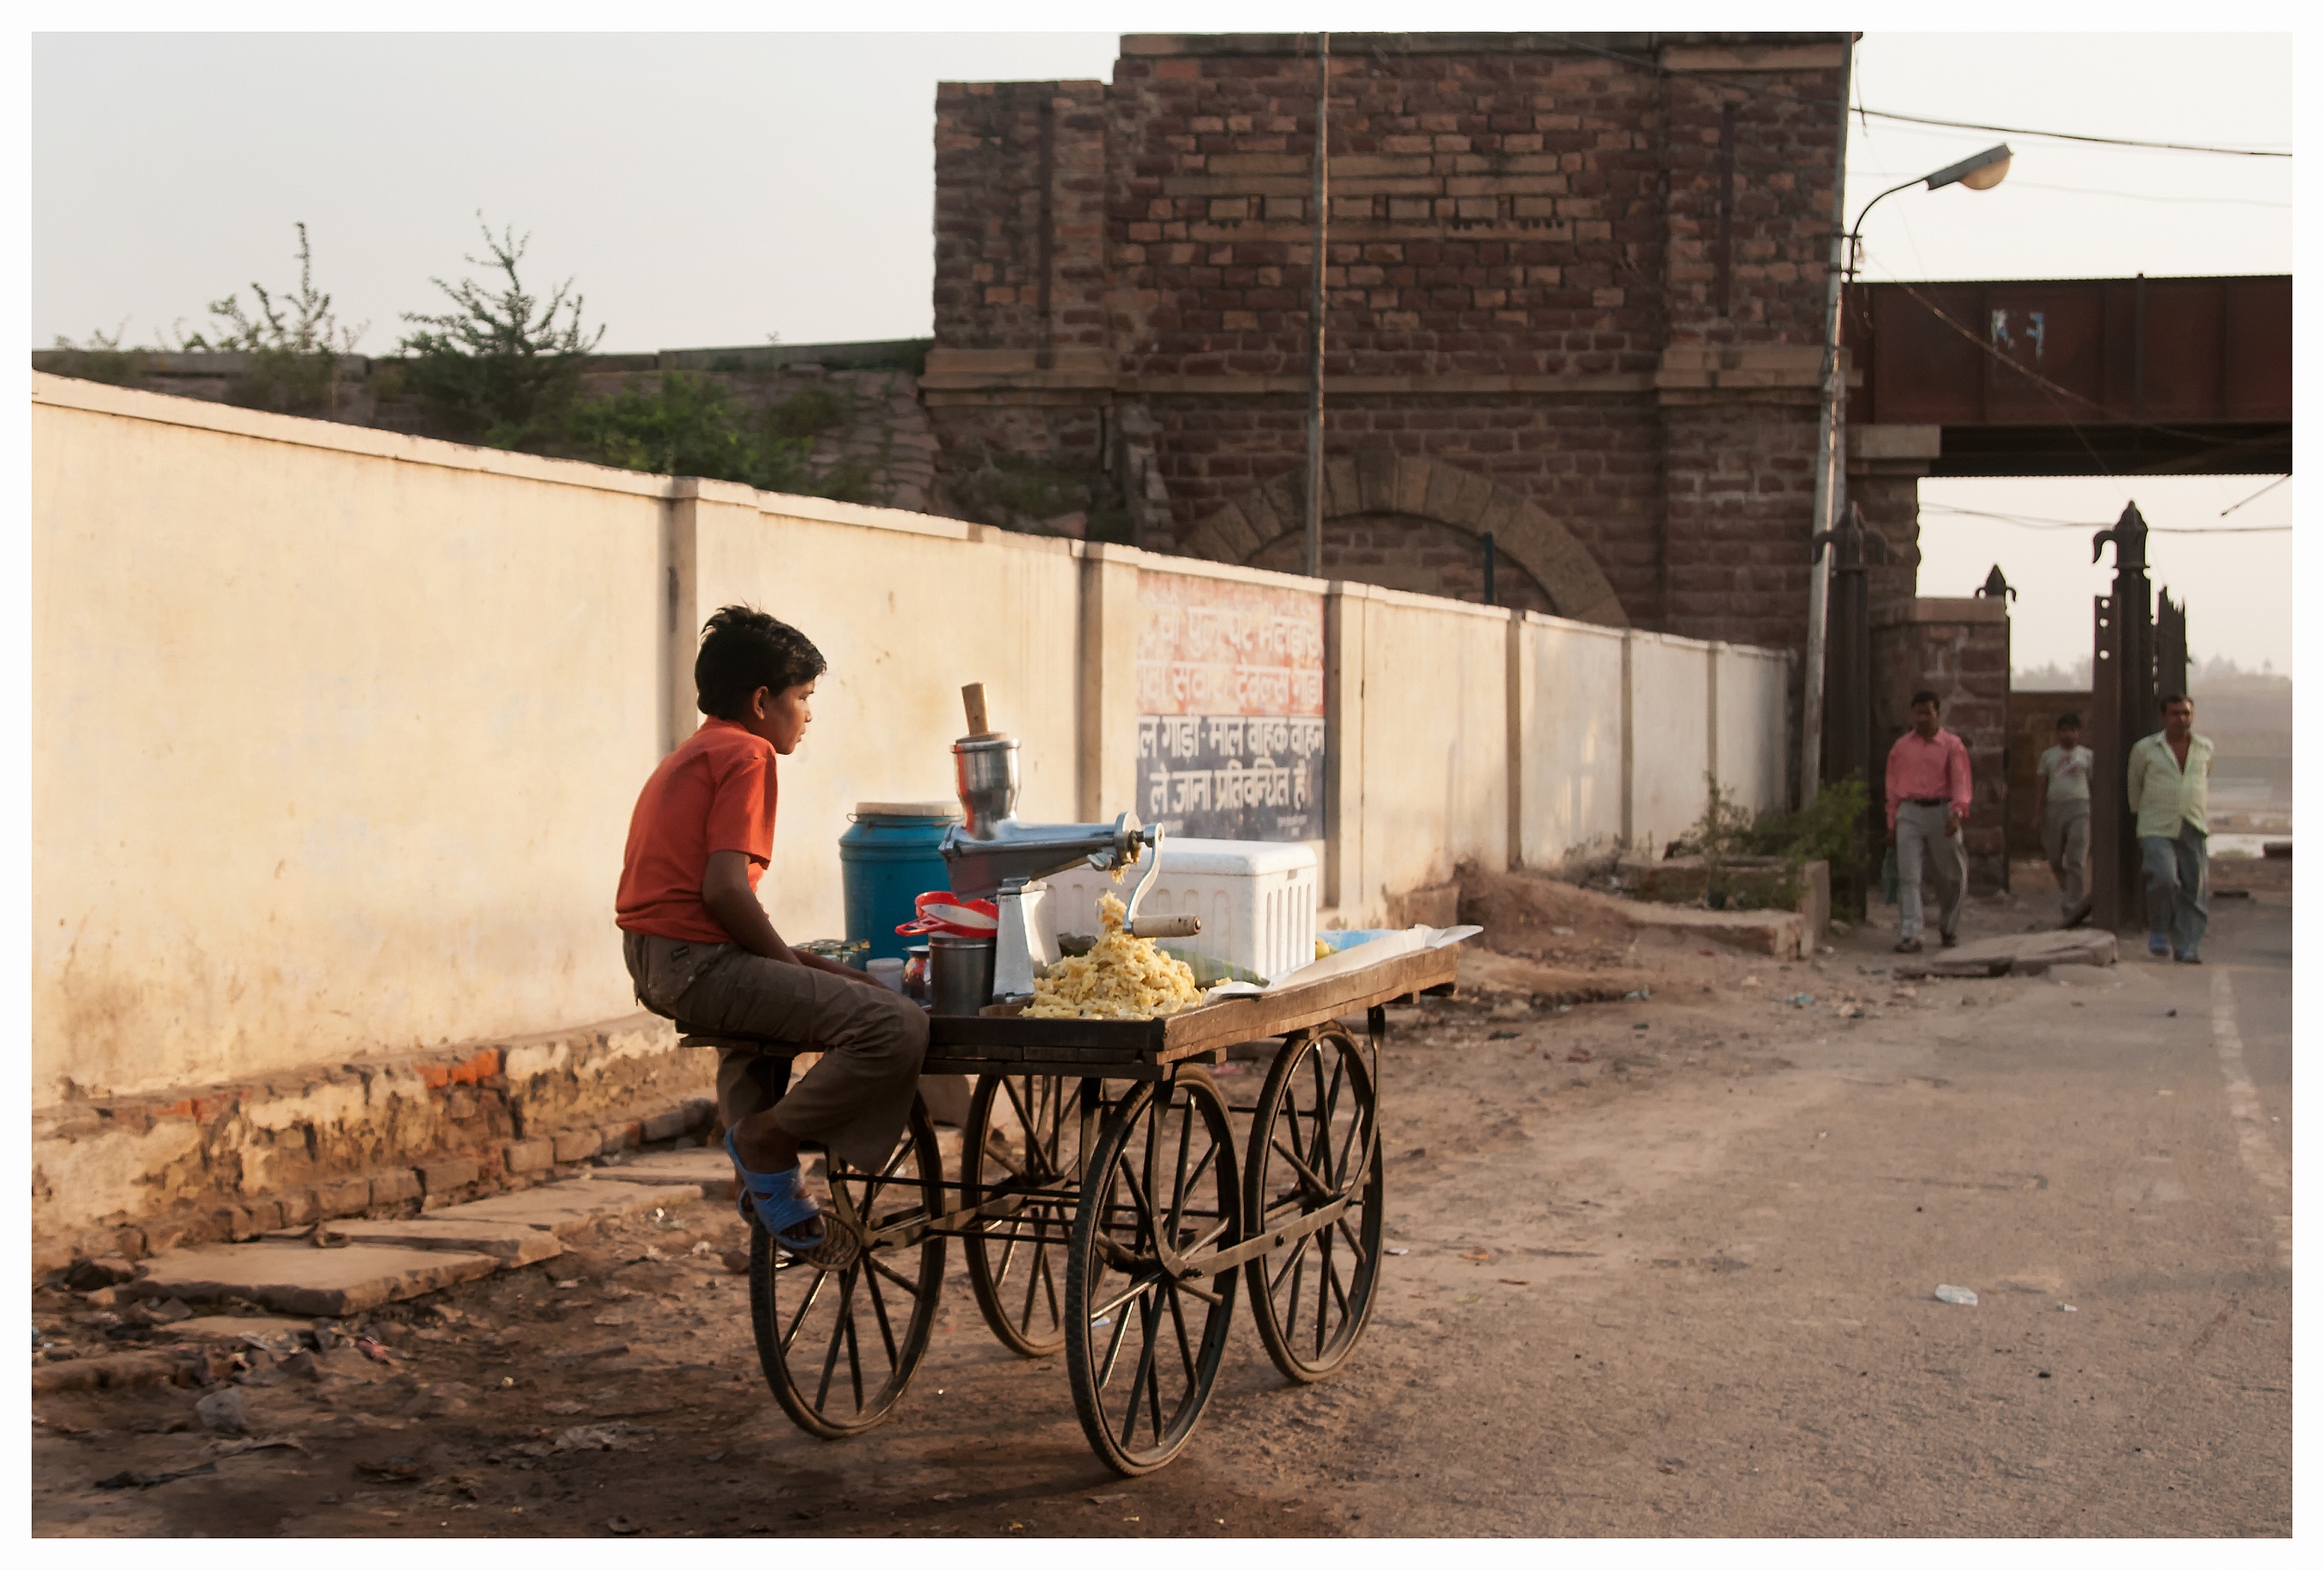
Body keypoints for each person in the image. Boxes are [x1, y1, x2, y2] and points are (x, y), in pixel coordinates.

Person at [615, 605, 928, 1255]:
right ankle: (765, 1142)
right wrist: (794, 968)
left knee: (801, 998)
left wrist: (811, 968)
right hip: (697, 963)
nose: (808, 715)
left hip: (655, 961)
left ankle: (757, 1183)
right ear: (762, 701)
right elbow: (725, 890)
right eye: (803, 697)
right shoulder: (749, 753)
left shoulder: (691, 753)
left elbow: (717, 906)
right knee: (895, 1023)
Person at [2126, 692, 2214, 964]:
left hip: (2193, 822)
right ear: (2163, 717)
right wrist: (2143, 815)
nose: (2181, 719)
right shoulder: (2145, 749)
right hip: (2156, 825)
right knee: (2164, 878)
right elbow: (2134, 786)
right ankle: (2159, 930)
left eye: (2186, 713)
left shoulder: (2204, 748)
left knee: (2195, 888)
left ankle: (2187, 946)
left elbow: (2204, 778)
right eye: (2175, 713)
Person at [1885, 689, 1971, 954]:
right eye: (1918, 713)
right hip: (1909, 812)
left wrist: (1957, 813)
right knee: (1908, 876)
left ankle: (1949, 926)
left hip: (1941, 811)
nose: (1922, 718)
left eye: (1927, 713)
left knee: (1951, 875)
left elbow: (1960, 781)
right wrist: (1892, 822)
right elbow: (1892, 787)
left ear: (1938, 714)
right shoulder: (1902, 747)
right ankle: (1911, 933)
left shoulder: (1951, 745)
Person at [2033, 712, 2093, 924]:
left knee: (2076, 857)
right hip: (2055, 808)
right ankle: (2070, 891)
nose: (2069, 735)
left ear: (2079, 733)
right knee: (2055, 857)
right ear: (2058, 733)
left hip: (2080, 807)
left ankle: (2072, 903)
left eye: (2073, 730)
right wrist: (2038, 811)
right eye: (2065, 730)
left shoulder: (2087, 756)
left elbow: (2094, 782)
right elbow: (2041, 783)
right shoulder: (2049, 756)